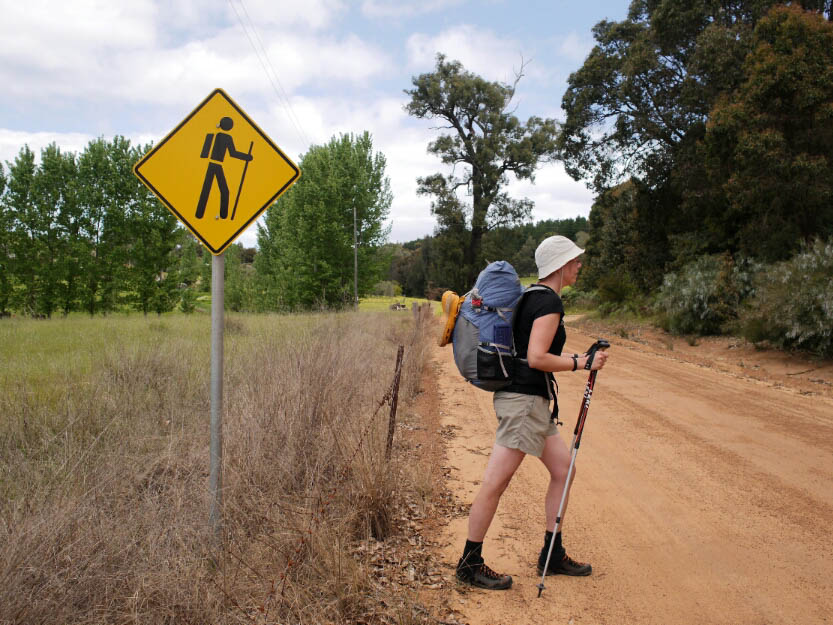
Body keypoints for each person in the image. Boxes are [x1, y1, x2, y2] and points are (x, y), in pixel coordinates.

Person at [455, 235, 609, 590]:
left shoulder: (530, 296)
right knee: (496, 482)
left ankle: (552, 553)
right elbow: (538, 357)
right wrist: (582, 362)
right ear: (559, 265)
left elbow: (529, 350)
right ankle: (469, 562)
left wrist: (578, 359)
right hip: (524, 403)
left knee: (564, 469)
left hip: (530, 403)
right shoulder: (549, 302)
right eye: (574, 260)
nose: (578, 265)